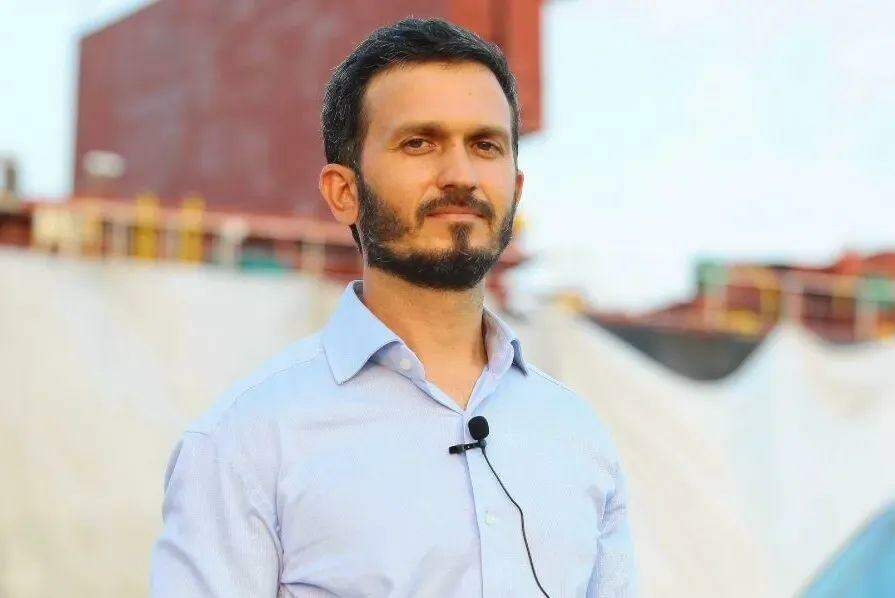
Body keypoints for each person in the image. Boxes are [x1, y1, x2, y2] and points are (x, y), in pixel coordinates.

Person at [150, 17, 636, 597]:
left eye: (485, 145)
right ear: (344, 192)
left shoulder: (577, 436)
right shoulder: (245, 443)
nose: (461, 176)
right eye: (419, 143)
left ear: (516, 185)